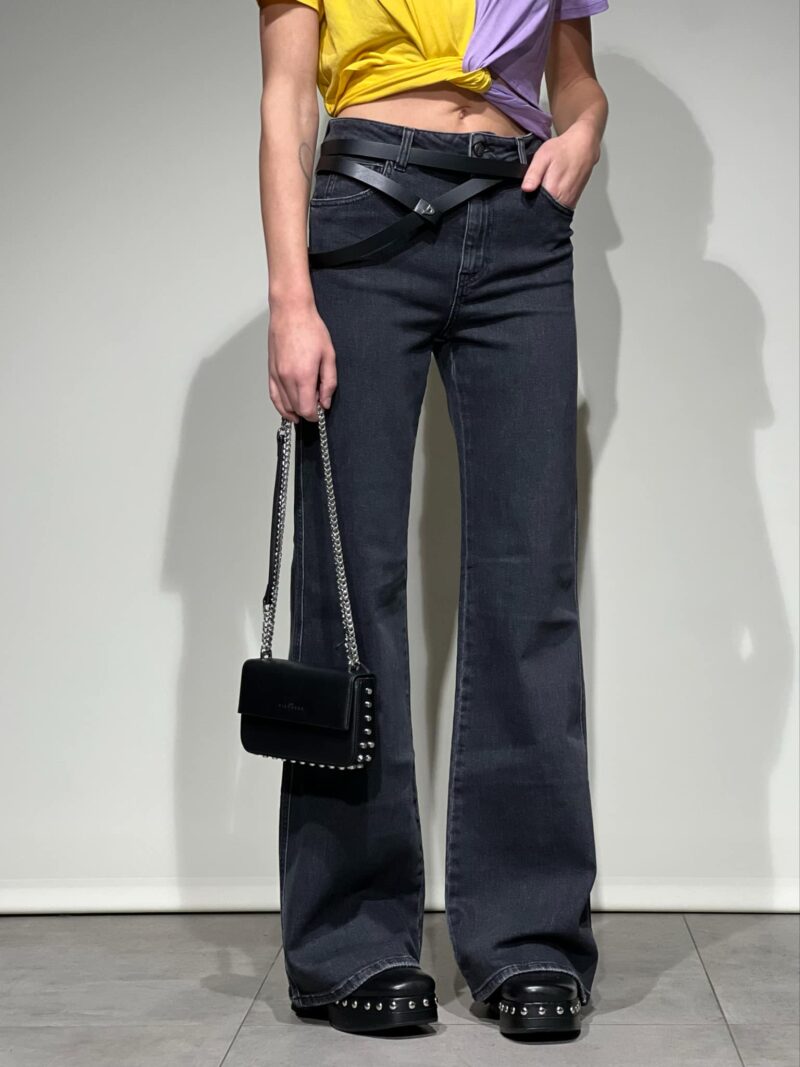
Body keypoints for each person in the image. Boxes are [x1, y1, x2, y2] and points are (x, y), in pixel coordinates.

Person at [256, 0, 610, 1041]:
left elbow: (574, 78)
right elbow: (287, 95)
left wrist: (585, 129)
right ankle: (348, 940)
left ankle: (530, 933)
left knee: (529, 584)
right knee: (348, 584)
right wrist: (290, 297)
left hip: (520, 225)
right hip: (364, 210)